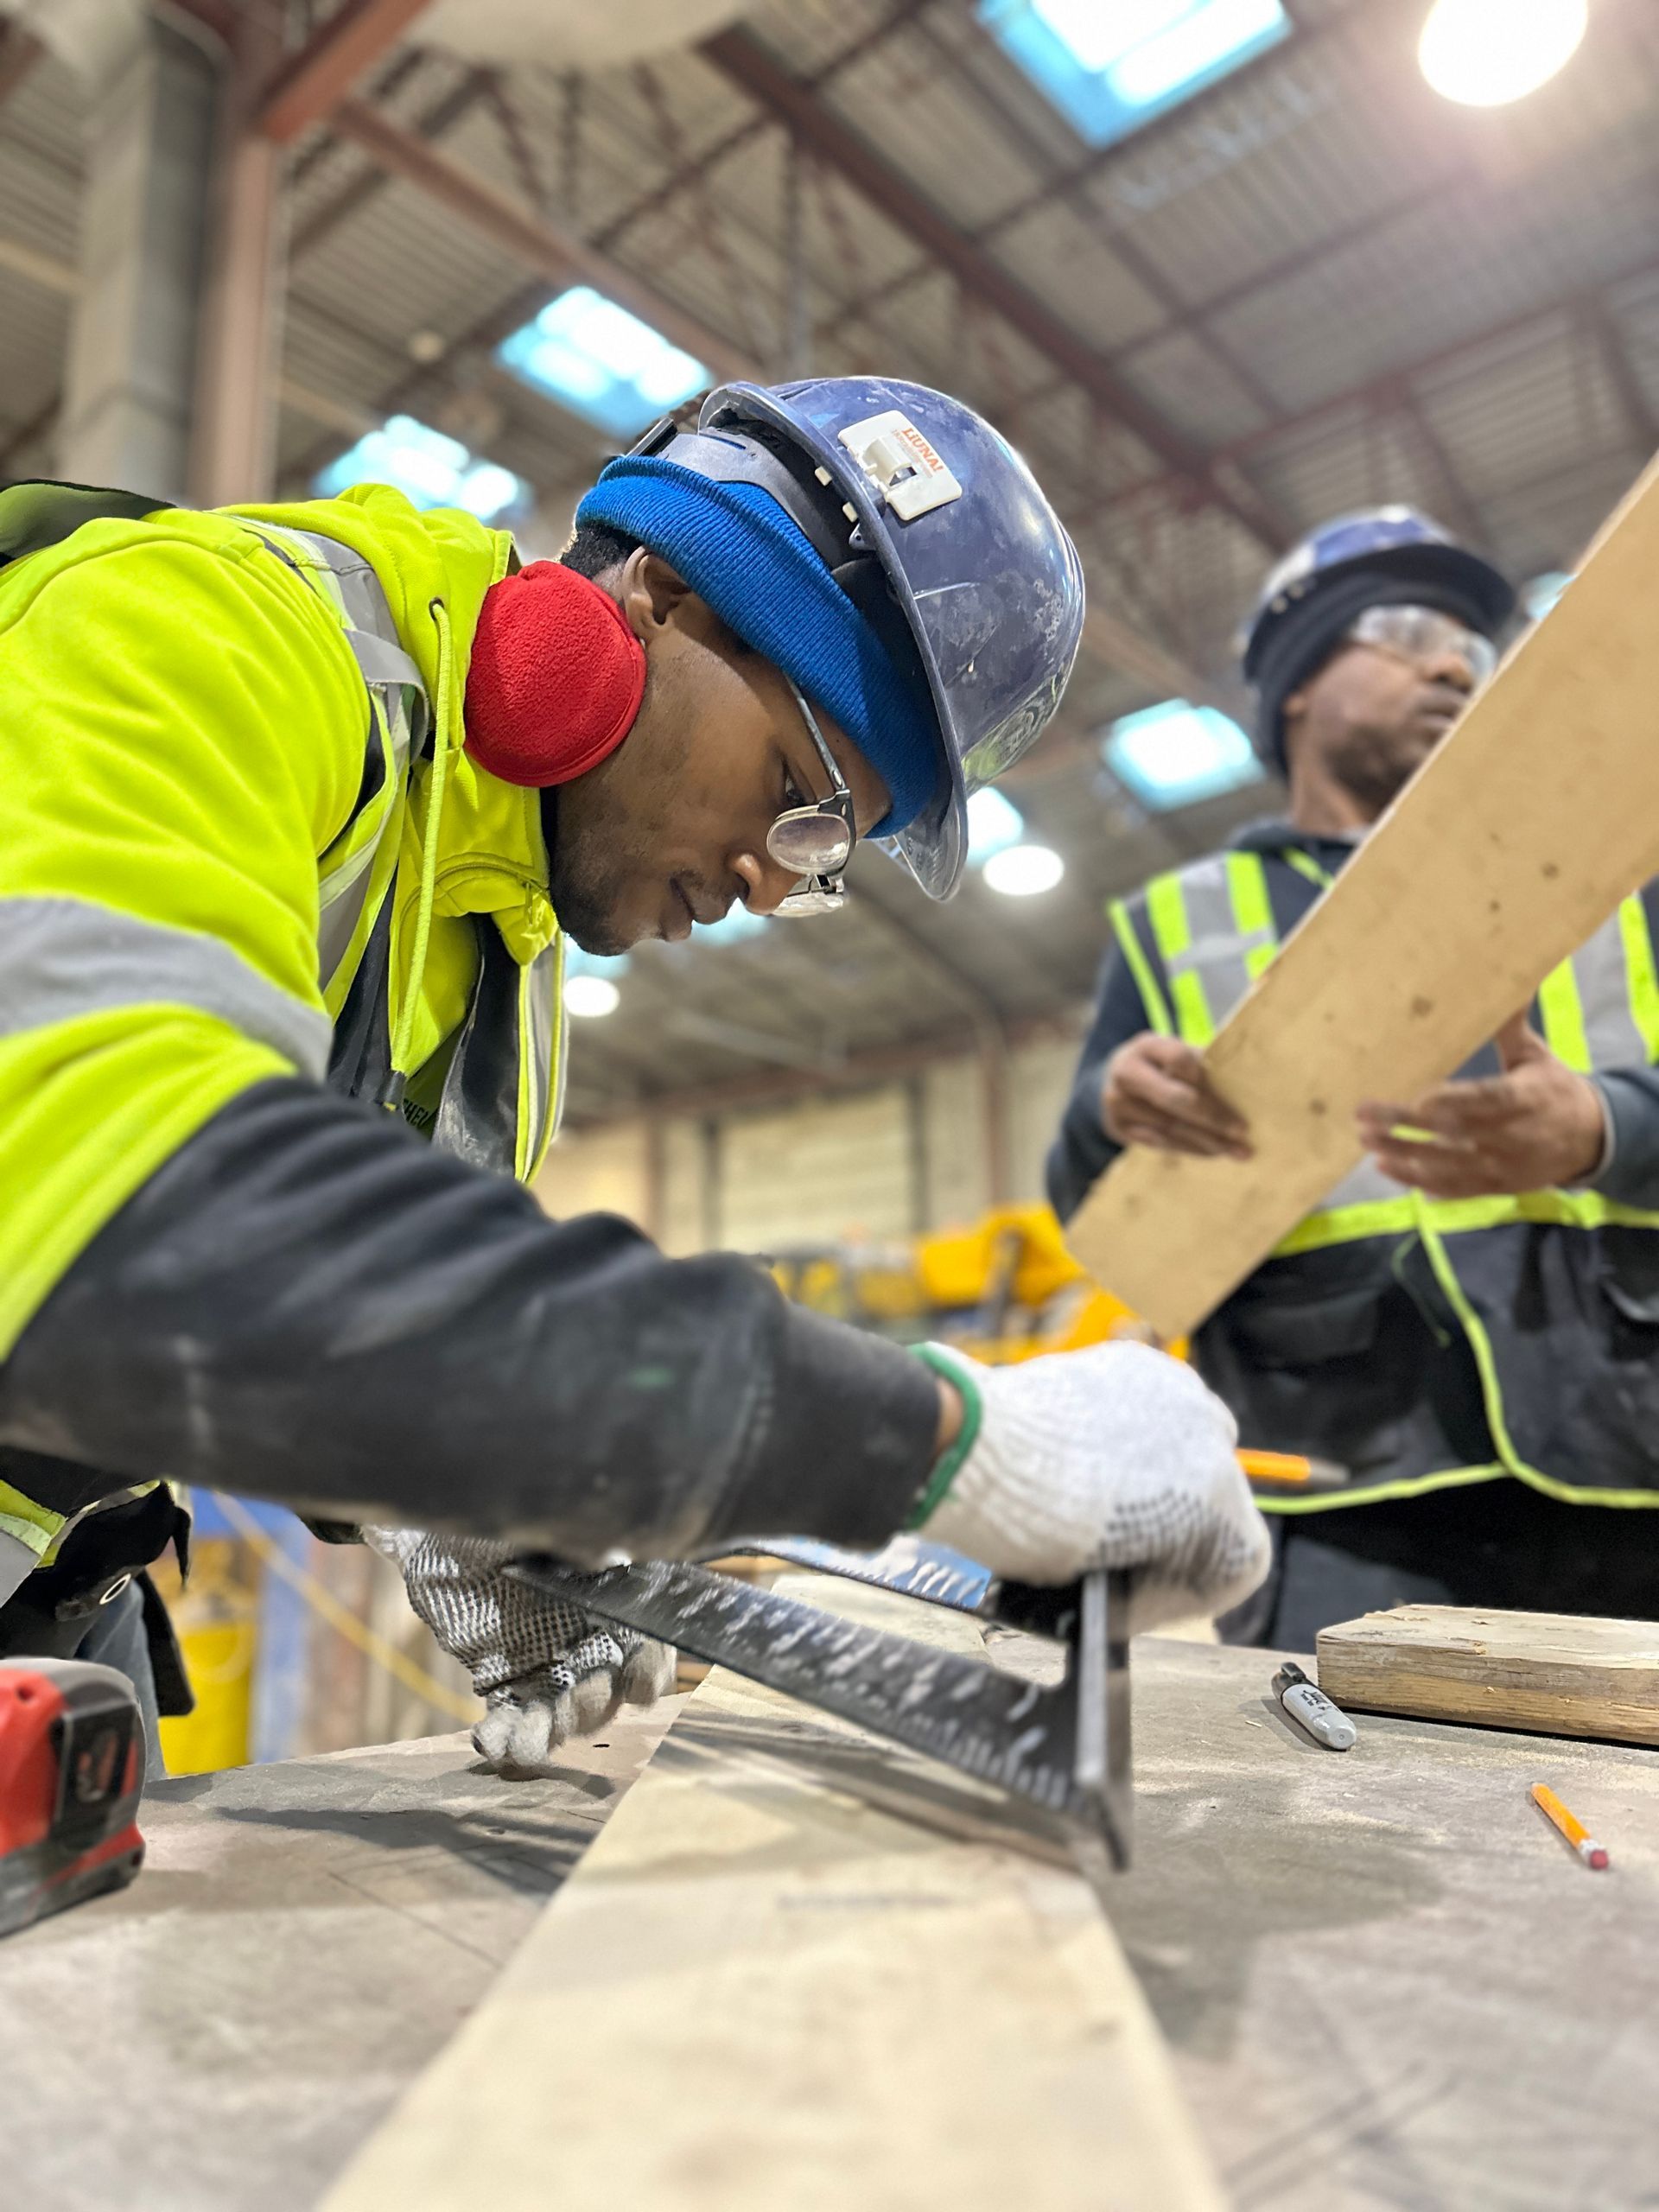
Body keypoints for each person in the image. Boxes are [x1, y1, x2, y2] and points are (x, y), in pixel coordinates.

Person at [0, 378, 1268, 1771]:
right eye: (801, 792)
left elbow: (325, 1313)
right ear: (663, 594)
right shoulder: (193, 628)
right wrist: (960, 1442)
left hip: (68, 1587)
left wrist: (468, 1494)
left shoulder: (512, 958)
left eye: (821, 862)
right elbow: (123, 1231)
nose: (764, 880)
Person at [1047, 507, 1659, 1650]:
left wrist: (1607, 1127)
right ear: (1296, 682)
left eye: (1475, 648)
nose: (1452, 661)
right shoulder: (1180, 926)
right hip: (1333, 1495)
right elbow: (1097, 1214)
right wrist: (1104, 1115)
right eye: (1406, 629)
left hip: (1621, 1467)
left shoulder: (1620, 875)